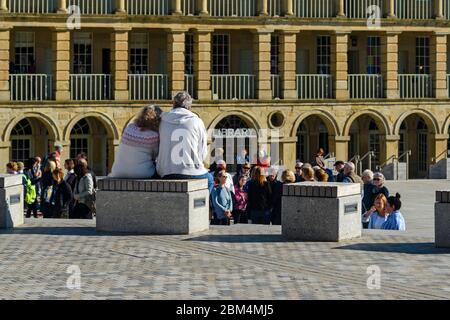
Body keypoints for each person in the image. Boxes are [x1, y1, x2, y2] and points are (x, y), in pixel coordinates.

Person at [157, 92, 213, 193]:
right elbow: (203, 152)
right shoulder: (197, 121)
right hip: (192, 172)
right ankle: (202, 208)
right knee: (210, 180)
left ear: (173, 104)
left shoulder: (163, 120)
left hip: (167, 172)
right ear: (189, 106)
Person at [110, 105, 161, 179]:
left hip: (117, 171)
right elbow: (156, 156)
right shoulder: (153, 136)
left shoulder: (129, 128)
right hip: (143, 173)